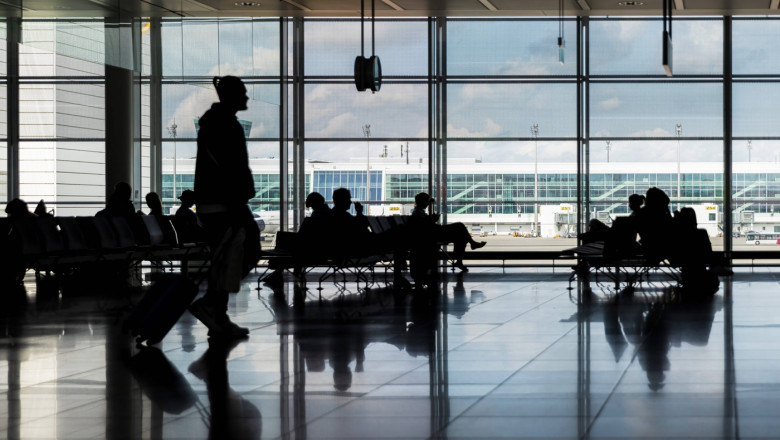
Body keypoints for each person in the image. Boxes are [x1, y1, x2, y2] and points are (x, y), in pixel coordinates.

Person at [188, 75, 260, 340]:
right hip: (224, 203)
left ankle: (217, 313)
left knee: (231, 256)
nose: (246, 96)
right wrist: (241, 191)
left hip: (220, 202)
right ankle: (212, 305)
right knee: (247, 249)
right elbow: (231, 165)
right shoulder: (223, 125)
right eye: (242, 91)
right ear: (229, 95)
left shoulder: (217, 122)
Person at [408, 192, 485, 272]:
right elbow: (425, 228)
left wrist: (432, 220)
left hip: (434, 233)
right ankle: (470, 246)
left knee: (461, 237)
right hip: (435, 234)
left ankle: (463, 256)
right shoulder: (418, 213)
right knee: (460, 226)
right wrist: (433, 220)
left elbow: (424, 227)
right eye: (427, 201)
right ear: (423, 201)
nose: (428, 203)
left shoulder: (418, 212)